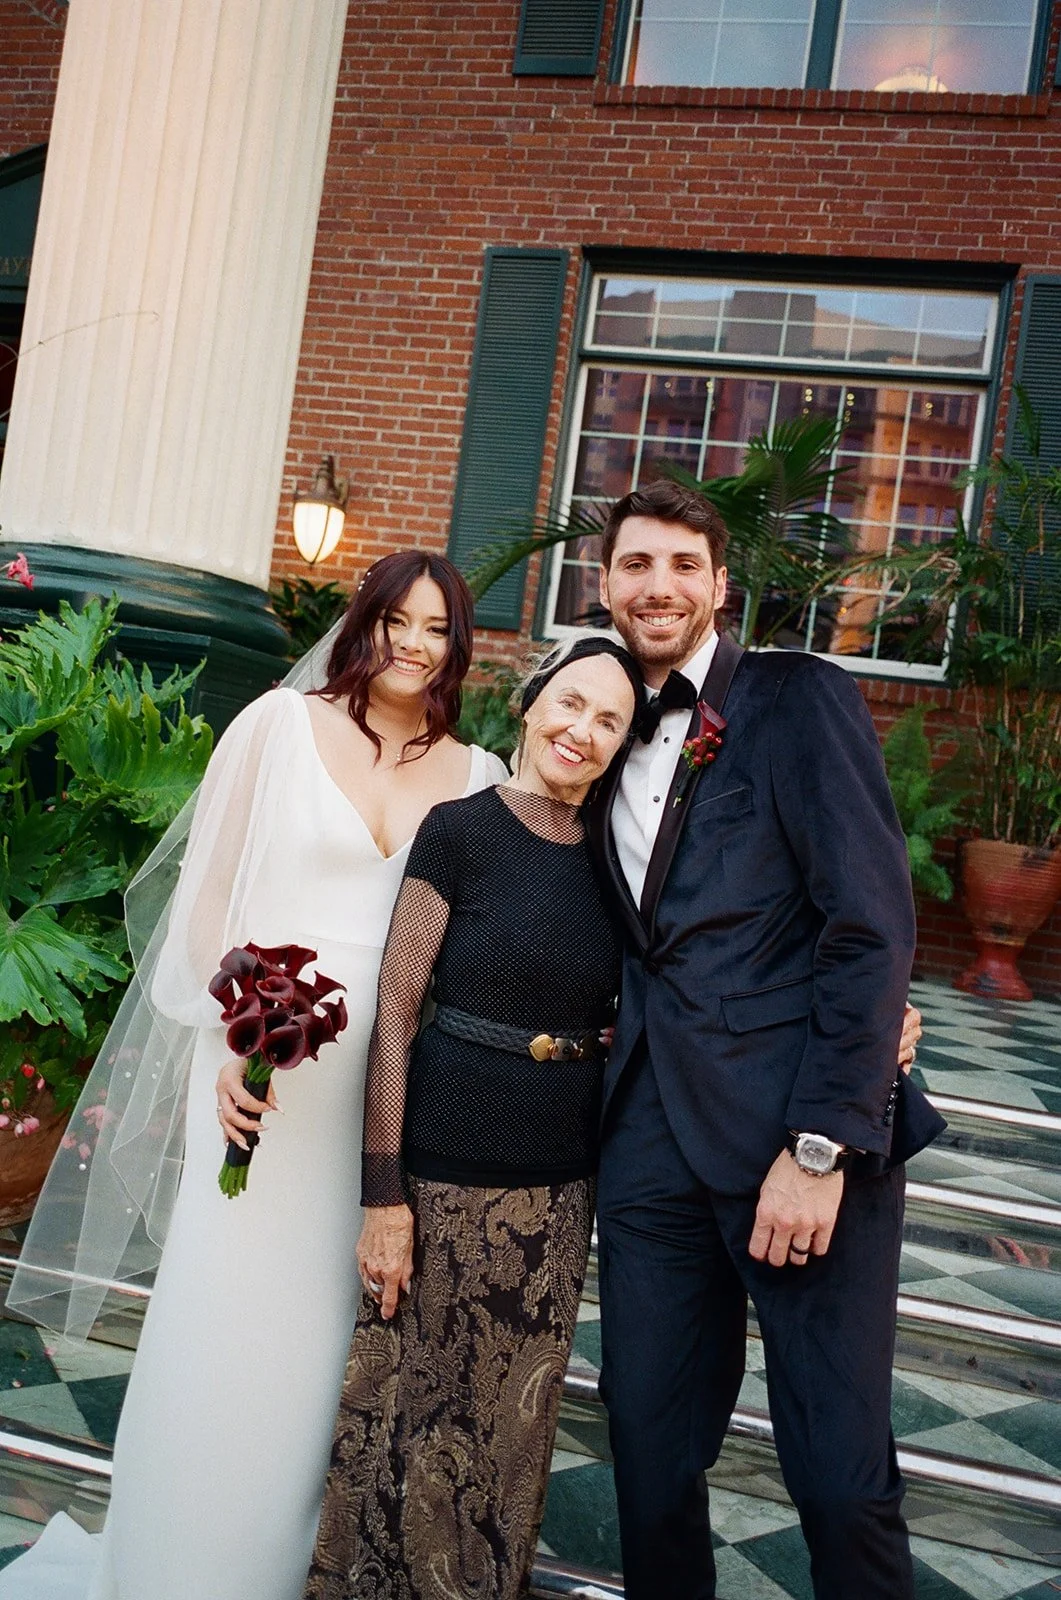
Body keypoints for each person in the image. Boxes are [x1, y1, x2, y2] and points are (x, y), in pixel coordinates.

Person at [0, 552, 508, 1600]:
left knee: (324, 1341)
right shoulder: (274, 729)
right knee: (225, 1319)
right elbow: (203, 904)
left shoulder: (481, 776)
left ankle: (278, 1574)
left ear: (460, 646)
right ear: (361, 621)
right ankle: (172, 1567)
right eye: (395, 622)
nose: (413, 646)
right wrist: (237, 1036)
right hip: (257, 1076)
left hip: (380, 1105)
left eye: (437, 629)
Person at [583, 477, 946, 1600]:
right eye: (636, 564)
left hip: (795, 1138)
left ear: (719, 588)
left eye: (683, 566)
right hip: (644, 1136)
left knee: (834, 1473)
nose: (658, 586)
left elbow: (867, 922)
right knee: (643, 1449)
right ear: (603, 584)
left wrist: (822, 1143)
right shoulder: (582, 723)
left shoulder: (796, 698)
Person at [302, 637, 645, 1600]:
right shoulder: (458, 831)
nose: (582, 731)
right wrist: (384, 1196)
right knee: (402, 1425)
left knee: (509, 1437)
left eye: (609, 721)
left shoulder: (623, 865)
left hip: (555, 1192)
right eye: (570, 704)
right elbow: (396, 1010)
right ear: (533, 702)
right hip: (441, 1177)